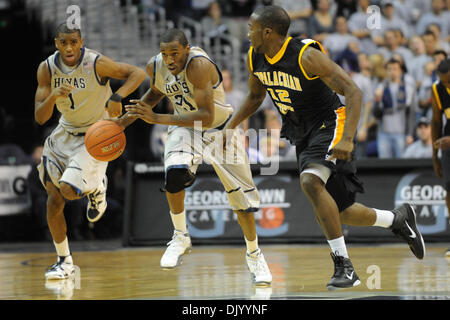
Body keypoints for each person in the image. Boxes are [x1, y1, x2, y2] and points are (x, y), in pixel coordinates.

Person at [223, 5, 425, 290]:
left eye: (251, 28)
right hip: (301, 131)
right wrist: (230, 126)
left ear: (267, 32)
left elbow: (354, 91)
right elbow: (256, 97)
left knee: (310, 181)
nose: (247, 32)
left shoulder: (307, 56)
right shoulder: (254, 56)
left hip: (331, 123)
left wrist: (348, 138)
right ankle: (398, 218)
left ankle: (344, 266)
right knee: (341, 211)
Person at [122, 29, 272, 285]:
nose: (170, 60)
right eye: (165, 54)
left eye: (175, 54)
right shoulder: (155, 66)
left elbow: (205, 115)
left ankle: (254, 254)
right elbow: (158, 91)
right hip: (184, 128)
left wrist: (156, 118)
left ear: (187, 49)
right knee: (175, 174)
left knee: (243, 204)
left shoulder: (199, 66)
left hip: (220, 129)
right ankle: (180, 235)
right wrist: (123, 121)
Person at [34, 23, 146, 280]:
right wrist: (52, 96)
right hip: (63, 135)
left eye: (74, 42)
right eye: (64, 42)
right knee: (53, 200)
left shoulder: (95, 63)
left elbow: (137, 74)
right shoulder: (47, 68)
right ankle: (64, 261)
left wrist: (118, 96)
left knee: (68, 192)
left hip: (94, 136)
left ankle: (96, 187)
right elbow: (40, 118)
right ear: (57, 43)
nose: (70, 47)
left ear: (81, 41)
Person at [430, 58, 450, 258]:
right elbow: (436, 122)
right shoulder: (437, 90)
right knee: (449, 189)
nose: (446, 85)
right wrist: (435, 156)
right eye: (443, 81)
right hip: (446, 145)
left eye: (449, 81)